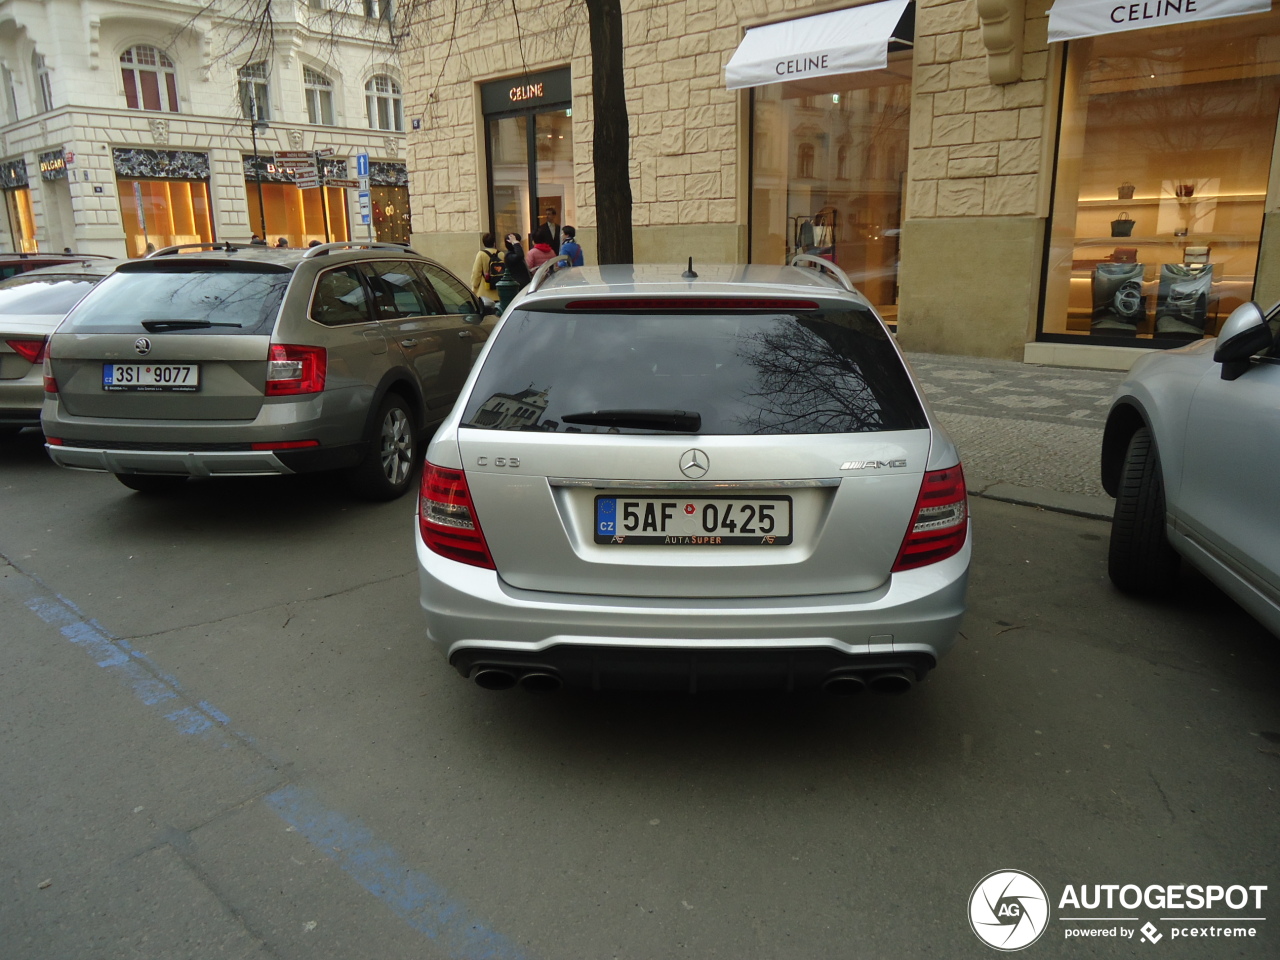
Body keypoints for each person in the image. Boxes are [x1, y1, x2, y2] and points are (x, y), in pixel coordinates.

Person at [470, 232, 501, 300]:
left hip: (484, 291)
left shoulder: (481, 254)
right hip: (499, 291)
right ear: (494, 243)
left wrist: (474, 285)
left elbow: (476, 272)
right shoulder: (501, 254)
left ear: (483, 243)